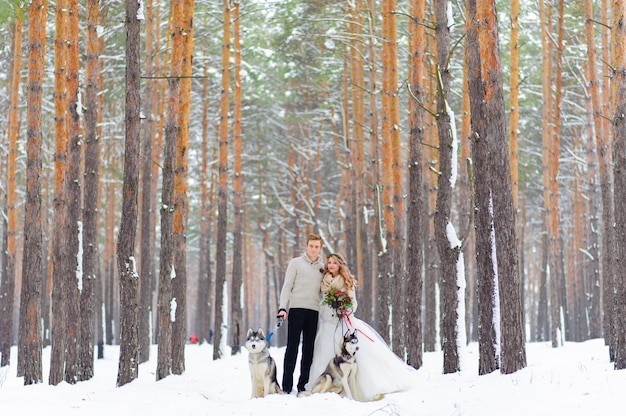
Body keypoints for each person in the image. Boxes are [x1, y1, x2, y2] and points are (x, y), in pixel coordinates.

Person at [306, 253, 415, 401]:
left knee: (360, 358)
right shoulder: (324, 282)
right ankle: (329, 388)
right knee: (324, 356)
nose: (331, 265)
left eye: (334, 263)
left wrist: (343, 308)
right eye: (329, 262)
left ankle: (364, 388)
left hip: (344, 324)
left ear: (340, 265)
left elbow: (353, 304)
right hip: (327, 324)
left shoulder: (346, 281)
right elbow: (322, 302)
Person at [277, 234, 325, 394]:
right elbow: (287, 287)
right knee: (292, 349)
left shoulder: (323, 268)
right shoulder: (295, 263)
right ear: (306, 246)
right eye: (311, 245)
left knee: (308, 350)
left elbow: (324, 292)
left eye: (316, 246)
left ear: (320, 248)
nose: (313, 249)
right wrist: (282, 308)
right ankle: (286, 387)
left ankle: (302, 385)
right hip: (296, 310)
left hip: (313, 312)